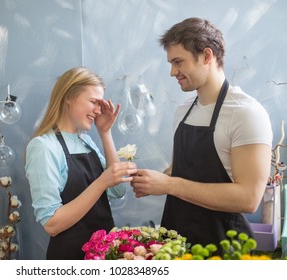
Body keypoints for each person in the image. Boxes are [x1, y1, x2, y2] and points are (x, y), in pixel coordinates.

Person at [130, 17, 273, 250]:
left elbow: (249, 198)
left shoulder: (246, 113)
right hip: (177, 243)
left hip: (223, 250)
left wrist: (168, 185)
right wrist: (152, 180)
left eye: (178, 62)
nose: (172, 72)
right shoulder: (183, 111)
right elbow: (182, 170)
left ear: (207, 56)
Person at [25, 66, 137, 260]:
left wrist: (105, 132)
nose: (98, 109)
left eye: (100, 103)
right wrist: (102, 182)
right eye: (94, 101)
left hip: (104, 255)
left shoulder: (86, 141)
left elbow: (117, 192)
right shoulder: (43, 147)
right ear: (69, 96)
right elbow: (52, 224)